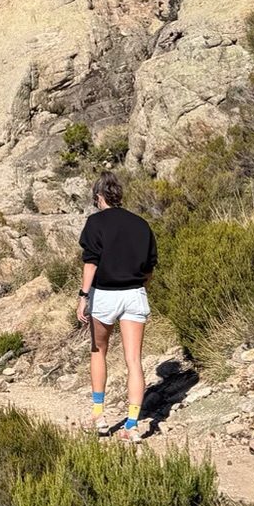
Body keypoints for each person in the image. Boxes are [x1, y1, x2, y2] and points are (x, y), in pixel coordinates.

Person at [76, 171, 156, 444]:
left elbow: (91, 261)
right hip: (135, 294)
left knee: (98, 351)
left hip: (106, 296)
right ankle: (132, 425)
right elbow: (149, 268)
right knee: (134, 360)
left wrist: (83, 296)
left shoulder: (95, 223)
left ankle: (99, 415)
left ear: (99, 197)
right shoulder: (141, 224)